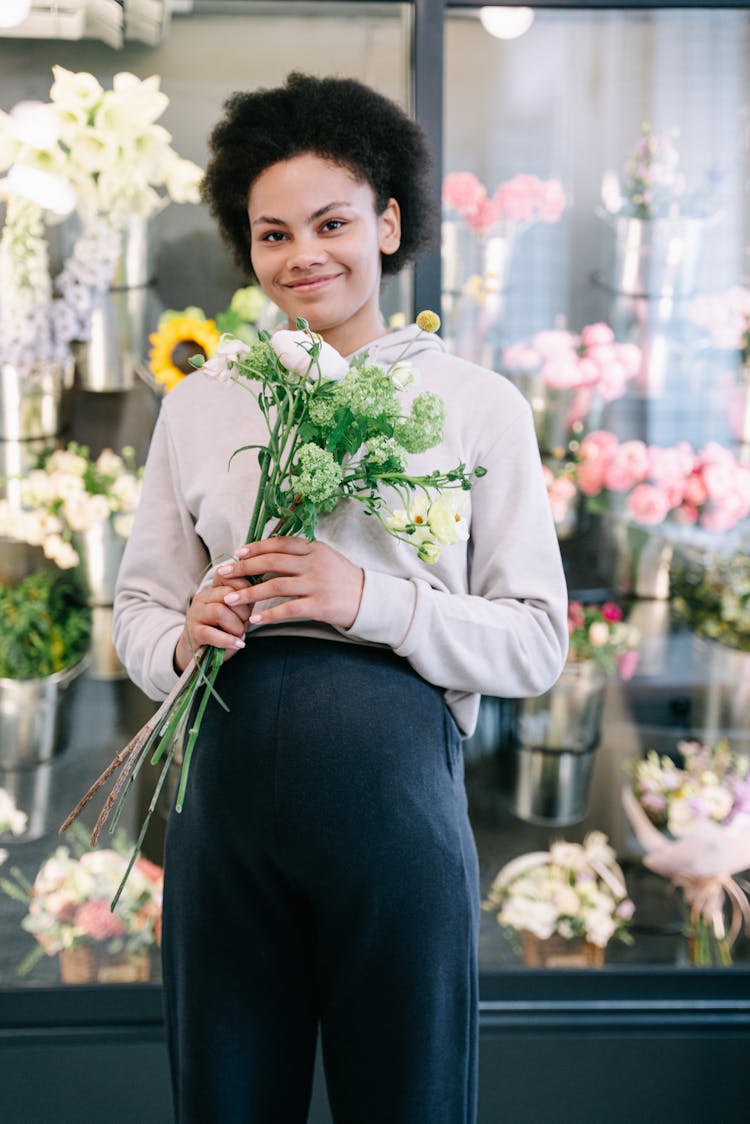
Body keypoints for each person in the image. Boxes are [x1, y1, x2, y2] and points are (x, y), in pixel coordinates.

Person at [113, 72, 568, 1124]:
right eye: (272, 233)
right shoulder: (202, 401)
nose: (303, 255)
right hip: (220, 813)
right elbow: (139, 604)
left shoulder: (475, 404)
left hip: (396, 812)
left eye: (331, 222)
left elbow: (538, 642)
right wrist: (183, 640)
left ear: (389, 220)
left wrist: (373, 598)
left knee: (408, 1100)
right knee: (223, 1103)